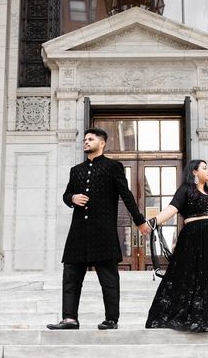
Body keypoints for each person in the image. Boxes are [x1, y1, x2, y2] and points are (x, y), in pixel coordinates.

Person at [47, 127, 150, 331]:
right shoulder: (76, 170)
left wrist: (138, 220)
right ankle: (69, 319)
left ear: (101, 143)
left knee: (109, 279)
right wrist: (72, 198)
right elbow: (67, 195)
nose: (86, 141)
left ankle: (111, 319)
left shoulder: (113, 167)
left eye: (90, 139)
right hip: (78, 232)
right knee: (70, 277)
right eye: (85, 139)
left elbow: (126, 194)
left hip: (104, 231)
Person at [145, 159, 208, 333]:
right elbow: (172, 209)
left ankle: (206, 316)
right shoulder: (186, 190)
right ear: (194, 172)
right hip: (191, 239)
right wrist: (153, 222)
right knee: (184, 276)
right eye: (204, 168)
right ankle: (181, 314)